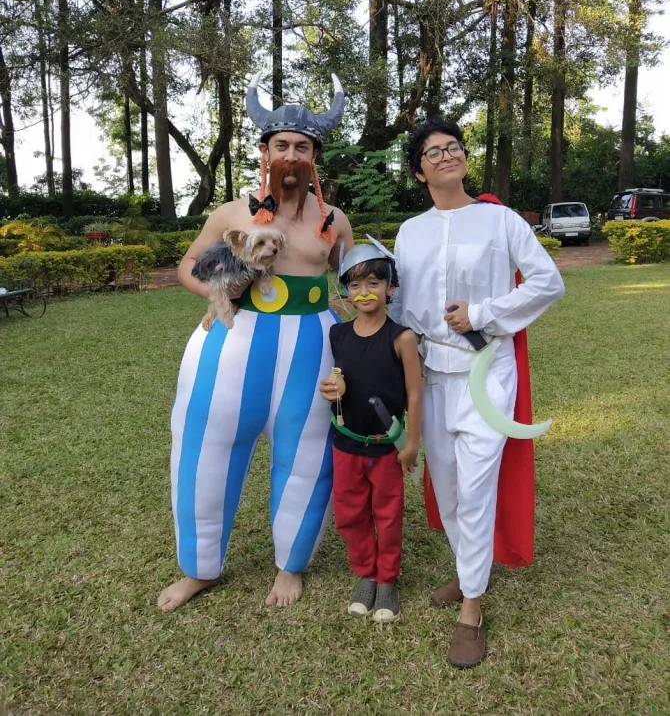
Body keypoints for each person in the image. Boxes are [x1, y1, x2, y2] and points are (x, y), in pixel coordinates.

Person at [158, 74, 354, 613]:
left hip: (311, 347)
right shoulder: (230, 214)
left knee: (307, 458)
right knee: (204, 450)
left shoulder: (334, 220)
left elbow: (355, 281)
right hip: (232, 342)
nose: (291, 155)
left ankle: (290, 565)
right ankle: (198, 569)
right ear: (265, 152)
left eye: (302, 147)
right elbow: (188, 266)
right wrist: (218, 290)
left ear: (314, 158)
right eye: (281, 145)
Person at [389, 117, 564, 666]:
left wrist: (483, 312)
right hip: (431, 378)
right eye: (433, 152)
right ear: (419, 172)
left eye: (454, 147)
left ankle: (471, 606)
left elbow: (548, 282)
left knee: (477, 485)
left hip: (486, 373)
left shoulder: (500, 220)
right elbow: (401, 307)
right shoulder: (410, 232)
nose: (447, 155)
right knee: (448, 488)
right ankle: (470, 571)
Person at [318, 243, 422, 622]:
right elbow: (339, 377)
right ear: (346, 290)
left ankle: (387, 580)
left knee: (388, 515)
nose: (364, 293)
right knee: (350, 513)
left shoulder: (402, 338)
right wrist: (330, 389)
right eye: (356, 285)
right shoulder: (337, 334)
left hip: (385, 448)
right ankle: (366, 573)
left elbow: (414, 393)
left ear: (390, 288)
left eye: (374, 283)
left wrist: (412, 444)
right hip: (346, 445)